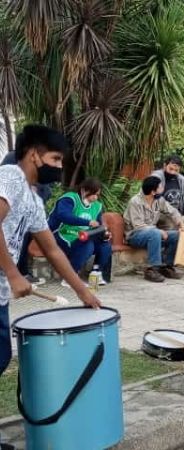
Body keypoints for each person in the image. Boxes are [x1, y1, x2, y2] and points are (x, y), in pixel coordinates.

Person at [0, 125, 101, 382]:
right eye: (55, 159)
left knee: (1, 355)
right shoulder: (11, 176)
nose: (58, 167)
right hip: (4, 281)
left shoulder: (33, 201)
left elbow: (53, 250)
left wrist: (82, 290)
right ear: (34, 155)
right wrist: (13, 274)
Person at [49, 177, 112, 286]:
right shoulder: (69, 199)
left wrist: (104, 233)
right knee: (87, 245)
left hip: (83, 236)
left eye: (98, 195)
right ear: (84, 190)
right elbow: (64, 216)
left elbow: (98, 225)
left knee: (105, 245)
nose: (95, 198)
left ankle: (96, 274)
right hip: (62, 235)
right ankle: (70, 277)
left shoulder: (97, 206)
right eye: (93, 194)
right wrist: (87, 222)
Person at [1, 152, 52, 286]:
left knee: (20, 242)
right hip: (13, 214)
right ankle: (20, 273)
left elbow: (53, 251)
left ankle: (21, 273)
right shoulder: (13, 161)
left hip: (28, 212)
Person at [124, 176, 184, 283]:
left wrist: (180, 223)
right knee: (155, 233)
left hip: (152, 234)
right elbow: (138, 226)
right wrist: (158, 231)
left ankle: (166, 266)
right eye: (160, 187)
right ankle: (152, 269)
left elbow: (172, 211)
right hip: (135, 236)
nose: (162, 188)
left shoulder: (159, 200)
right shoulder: (135, 202)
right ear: (153, 192)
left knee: (177, 235)